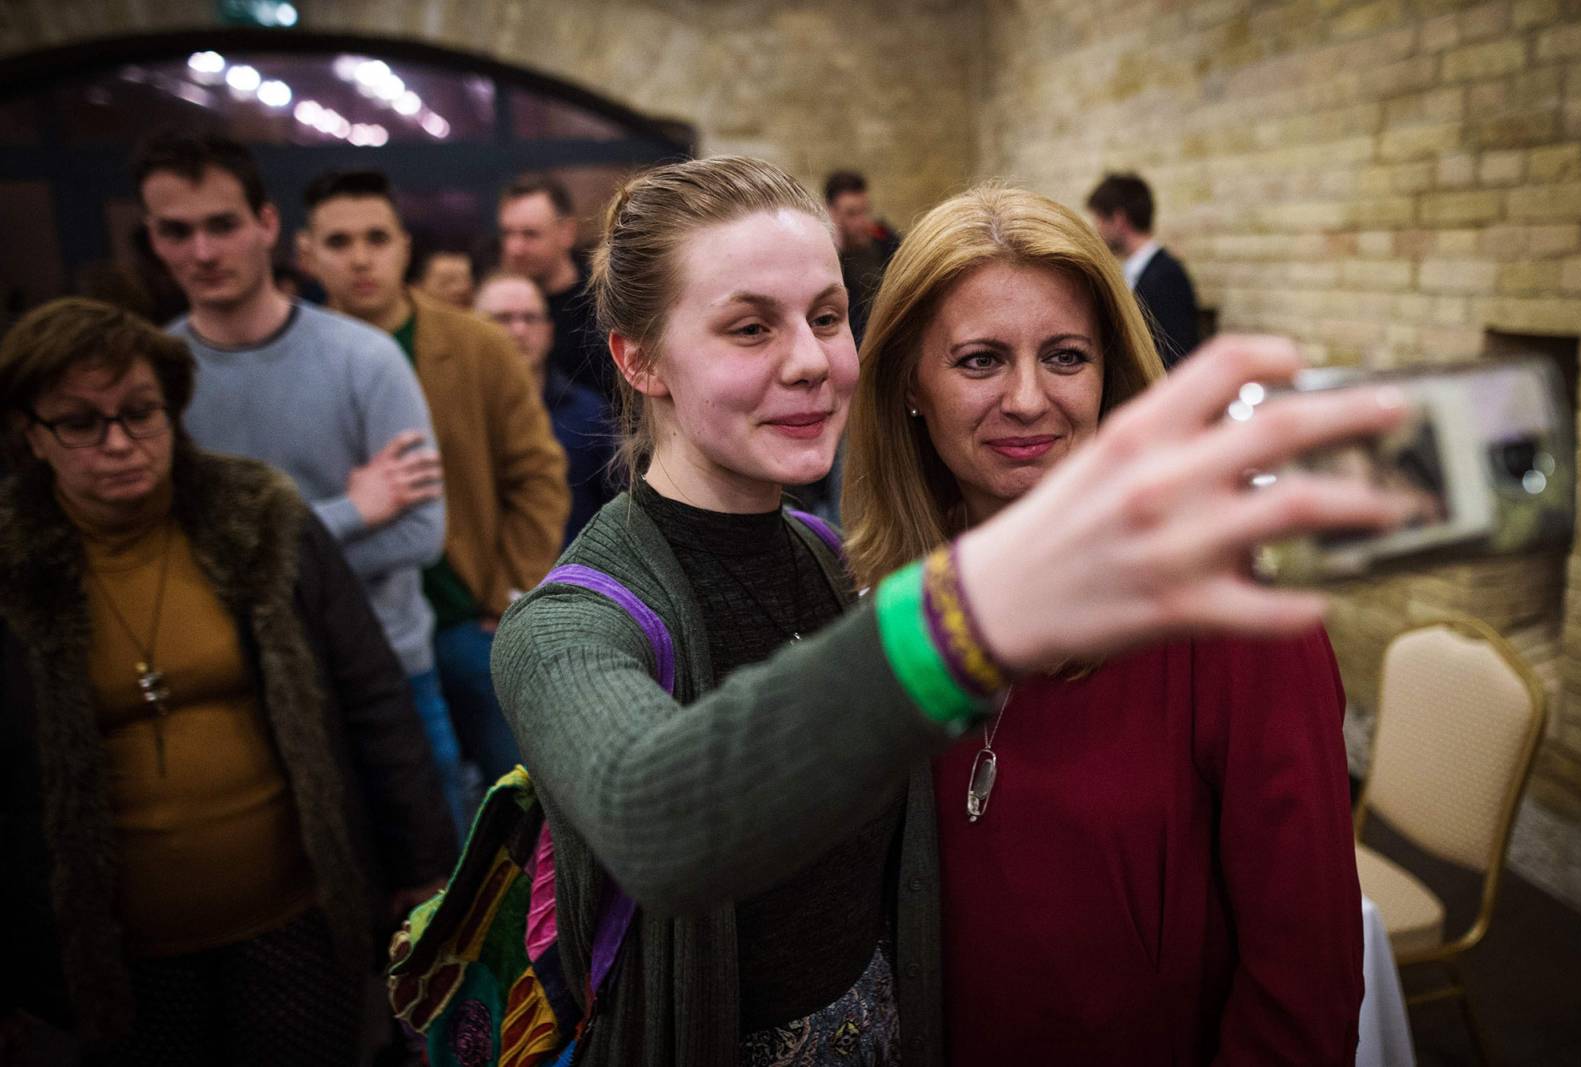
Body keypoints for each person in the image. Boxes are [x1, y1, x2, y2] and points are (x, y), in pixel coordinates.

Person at [488, 156, 1409, 1067]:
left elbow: (1303, 974)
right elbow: (658, 818)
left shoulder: (828, 565)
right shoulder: (576, 623)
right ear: (637, 356)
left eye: (825, 317)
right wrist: (978, 611)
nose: (807, 361)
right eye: (748, 328)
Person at [842, 186, 1364, 1063]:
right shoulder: (891, 606)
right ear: (908, 389)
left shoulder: (1231, 610)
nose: (1027, 398)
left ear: (1109, 379)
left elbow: (1304, 984)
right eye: (978, 360)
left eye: (1066, 356)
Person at [0, 297, 457, 1065]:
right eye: (81, 422)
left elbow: (374, 697)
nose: (119, 442)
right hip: (114, 960)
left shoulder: (264, 519)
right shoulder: (13, 568)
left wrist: (420, 870)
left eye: (140, 412)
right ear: (31, 434)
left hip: (295, 924)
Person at [133, 129, 466, 836]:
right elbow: (173, 559)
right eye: (176, 231)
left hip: (388, 675)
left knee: (446, 917)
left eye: (221, 224)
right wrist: (350, 511)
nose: (202, 251)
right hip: (235, 684)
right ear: (153, 239)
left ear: (267, 225)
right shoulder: (156, 377)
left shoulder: (365, 360)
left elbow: (419, 530)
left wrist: (247, 560)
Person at [298, 168, 571, 790]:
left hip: (468, 616)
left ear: (403, 246)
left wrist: (511, 592)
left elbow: (537, 472)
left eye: (377, 238)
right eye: (339, 243)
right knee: (408, 809)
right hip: (357, 626)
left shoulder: (476, 345)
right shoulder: (300, 355)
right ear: (306, 253)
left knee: (522, 807)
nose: (361, 259)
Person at [475, 269, 615, 545]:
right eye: (502, 319)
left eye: (530, 318)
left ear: (549, 331)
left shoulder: (590, 415)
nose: (519, 331)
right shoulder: (455, 415)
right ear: (472, 328)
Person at [497, 173, 613, 401]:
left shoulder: (603, 305)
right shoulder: (491, 303)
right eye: (507, 233)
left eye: (530, 234)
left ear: (567, 232)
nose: (514, 248)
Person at [1088, 172, 1200, 368]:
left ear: (1118, 219)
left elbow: (1175, 354)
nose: (1097, 229)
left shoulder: (1166, 275)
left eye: (1099, 219)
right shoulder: (1136, 271)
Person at [824, 170, 901, 344]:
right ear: (832, 213)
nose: (862, 221)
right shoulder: (829, 260)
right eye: (851, 214)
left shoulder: (885, 241)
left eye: (865, 211)